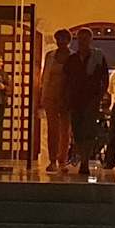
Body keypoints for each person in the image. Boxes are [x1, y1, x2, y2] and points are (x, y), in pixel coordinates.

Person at [63, 28, 109, 176]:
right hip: (75, 100)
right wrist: (66, 98)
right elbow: (66, 80)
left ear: (90, 40)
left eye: (85, 38)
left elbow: (105, 78)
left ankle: (85, 162)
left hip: (91, 99)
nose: (83, 41)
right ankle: (81, 157)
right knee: (77, 131)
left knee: (89, 129)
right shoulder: (72, 59)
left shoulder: (98, 57)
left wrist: (100, 95)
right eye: (80, 38)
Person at [37, 29, 72, 172]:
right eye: (59, 39)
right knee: (52, 129)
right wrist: (42, 96)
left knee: (65, 130)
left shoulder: (73, 56)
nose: (61, 42)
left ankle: (62, 159)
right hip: (51, 96)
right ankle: (52, 160)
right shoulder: (50, 56)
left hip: (67, 97)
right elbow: (45, 77)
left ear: (68, 41)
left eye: (64, 39)